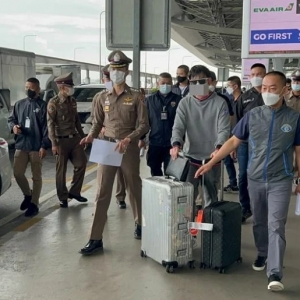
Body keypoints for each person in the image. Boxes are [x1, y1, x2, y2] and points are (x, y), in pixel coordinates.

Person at [195, 71, 300, 292]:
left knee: (276, 225)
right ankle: (263, 253)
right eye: (264, 88)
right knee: (260, 222)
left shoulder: (294, 118)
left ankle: (274, 272)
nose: (267, 92)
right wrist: (211, 162)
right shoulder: (253, 115)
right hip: (254, 178)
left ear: (284, 90)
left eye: (273, 88)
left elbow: (298, 150)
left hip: (281, 179)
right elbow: (233, 141)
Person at [79, 50, 149, 255]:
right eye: (113, 69)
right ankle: (95, 238)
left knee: (134, 186)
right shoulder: (101, 97)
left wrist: (130, 138)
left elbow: (144, 125)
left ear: (126, 71)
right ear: (109, 70)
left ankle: (139, 223)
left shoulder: (136, 97)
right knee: (101, 192)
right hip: (106, 145)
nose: (116, 72)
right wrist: (91, 136)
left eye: (120, 69)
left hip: (127, 146)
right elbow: (97, 122)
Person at [170, 65, 231, 209]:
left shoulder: (220, 103)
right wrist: (176, 143)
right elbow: (178, 126)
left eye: (201, 82)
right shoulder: (185, 102)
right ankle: (187, 226)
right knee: (187, 195)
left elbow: (223, 129)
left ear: (209, 81)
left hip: (212, 158)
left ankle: (211, 225)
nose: (197, 86)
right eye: (193, 83)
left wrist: (219, 148)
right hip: (190, 157)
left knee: (211, 195)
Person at [8, 78, 50, 217]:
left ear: (37, 89)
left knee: (36, 176)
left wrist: (44, 145)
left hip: (36, 146)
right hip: (21, 144)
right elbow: (11, 119)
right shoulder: (19, 104)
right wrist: (13, 127)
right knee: (17, 173)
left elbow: (47, 128)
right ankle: (27, 194)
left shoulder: (43, 106)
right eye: (26, 87)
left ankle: (34, 203)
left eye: (31, 88)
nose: (28, 90)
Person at [47, 72, 88, 208]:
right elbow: (50, 124)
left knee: (81, 163)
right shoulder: (54, 103)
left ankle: (74, 192)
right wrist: (53, 143)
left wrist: (83, 138)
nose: (72, 88)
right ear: (62, 88)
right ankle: (63, 197)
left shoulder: (72, 101)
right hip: (60, 140)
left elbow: (76, 121)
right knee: (61, 170)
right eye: (69, 86)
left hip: (74, 139)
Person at [235, 63, 266, 223]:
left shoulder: (272, 95)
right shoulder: (244, 97)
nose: (256, 77)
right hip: (245, 143)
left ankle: (261, 208)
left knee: (262, 176)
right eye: (253, 74)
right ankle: (245, 208)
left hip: (265, 145)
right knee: (243, 175)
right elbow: (238, 120)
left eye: (259, 74)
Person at [100, 64, 127, 209]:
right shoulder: (100, 97)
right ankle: (101, 205)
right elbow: (94, 118)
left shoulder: (127, 96)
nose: (109, 81)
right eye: (106, 79)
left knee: (122, 171)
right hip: (106, 141)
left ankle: (120, 197)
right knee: (103, 177)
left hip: (122, 140)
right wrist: (102, 127)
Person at [145, 72, 181, 176]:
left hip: (172, 144)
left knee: (171, 173)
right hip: (155, 142)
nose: (165, 85)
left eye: (168, 83)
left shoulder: (178, 100)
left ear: (172, 84)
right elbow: (145, 121)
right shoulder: (149, 100)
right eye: (163, 83)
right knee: (155, 171)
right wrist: (141, 139)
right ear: (158, 83)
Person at [223, 76, 243, 193]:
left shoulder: (243, 100)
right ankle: (233, 183)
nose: (227, 88)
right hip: (229, 136)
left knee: (241, 164)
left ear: (235, 86)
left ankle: (241, 185)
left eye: (228, 86)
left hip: (240, 138)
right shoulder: (230, 100)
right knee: (227, 161)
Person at [285, 69, 300, 182]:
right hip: (287, 131)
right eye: (295, 81)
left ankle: (298, 178)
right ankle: (288, 178)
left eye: (299, 81)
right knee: (287, 157)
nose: (296, 84)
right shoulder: (284, 97)